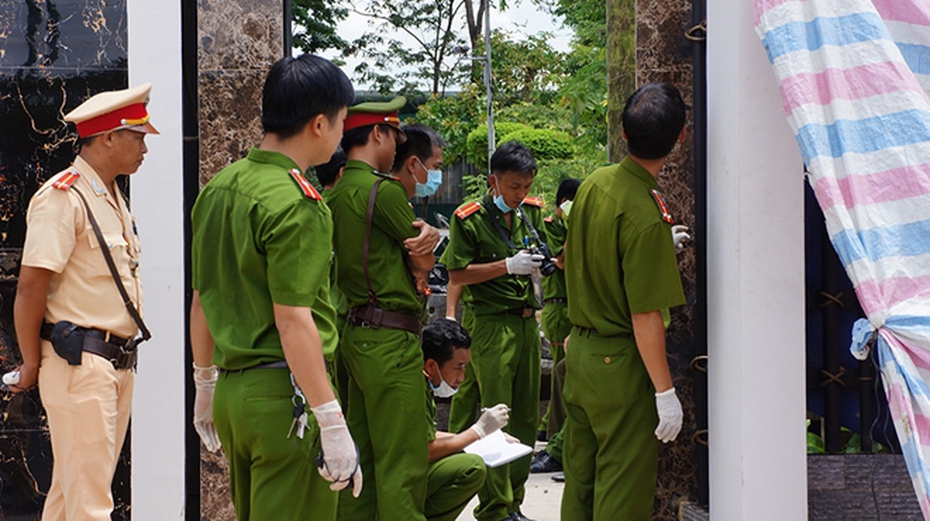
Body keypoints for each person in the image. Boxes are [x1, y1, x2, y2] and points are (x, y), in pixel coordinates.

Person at [189, 55, 361, 521]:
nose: (343, 134)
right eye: (343, 122)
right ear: (319, 123)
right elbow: (293, 319)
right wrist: (330, 418)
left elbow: (202, 299)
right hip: (287, 396)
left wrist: (204, 383)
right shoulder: (298, 203)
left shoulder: (219, 189)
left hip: (233, 394)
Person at [10, 83, 158, 520]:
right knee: (91, 504)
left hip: (113, 362)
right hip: (79, 365)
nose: (145, 148)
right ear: (108, 136)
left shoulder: (109, 196)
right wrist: (31, 362)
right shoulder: (64, 196)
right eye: (139, 136)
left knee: (71, 495)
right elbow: (31, 286)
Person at [561, 82, 688, 520]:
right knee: (621, 492)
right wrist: (665, 391)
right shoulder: (645, 214)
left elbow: (586, 257)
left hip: (580, 353)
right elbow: (646, 314)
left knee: (580, 484)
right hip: (619, 366)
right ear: (681, 138)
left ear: (623, 131)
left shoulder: (595, 183)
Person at [329, 97, 441, 520]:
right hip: (391, 338)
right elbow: (423, 258)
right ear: (377, 133)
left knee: (363, 460)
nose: (397, 146)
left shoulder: (337, 192)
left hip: (355, 333)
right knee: (403, 461)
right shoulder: (384, 191)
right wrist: (426, 250)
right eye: (395, 135)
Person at [440, 141, 547, 521]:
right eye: (514, 186)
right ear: (494, 181)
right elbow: (456, 273)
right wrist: (507, 265)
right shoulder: (468, 219)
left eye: (527, 186)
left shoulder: (529, 214)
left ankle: (514, 502)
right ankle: (496, 508)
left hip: (525, 323)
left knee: (525, 418)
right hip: (490, 323)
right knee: (496, 413)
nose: (521, 194)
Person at [421, 318, 512, 521]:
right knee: (472, 467)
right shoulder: (414, 390)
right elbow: (425, 449)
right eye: (457, 367)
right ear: (431, 365)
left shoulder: (422, 384)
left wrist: (486, 438)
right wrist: (478, 431)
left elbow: (425, 433)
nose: (462, 377)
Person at [530, 178, 580, 475]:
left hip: (570, 308)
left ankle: (549, 430)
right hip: (559, 308)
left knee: (565, 375)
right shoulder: (552, 224)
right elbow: (561, 260)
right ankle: (553, 434)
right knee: (564, 374)